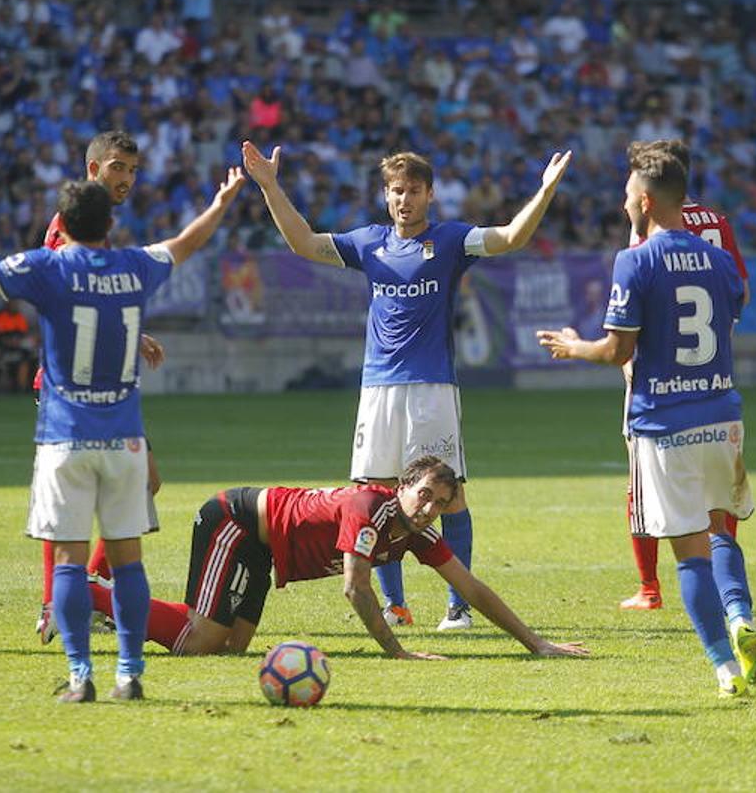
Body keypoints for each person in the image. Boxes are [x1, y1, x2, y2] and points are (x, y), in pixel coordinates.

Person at [0, 169, 246, 702]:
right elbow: (187, 242)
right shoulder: (136, 265)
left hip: (66, 438)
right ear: (110, 224)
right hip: (125, 439)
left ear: (64, 226)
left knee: (71, 562)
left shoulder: (47, 267)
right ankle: (129, 674)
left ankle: (80, 676)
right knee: (128, 562)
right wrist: (221, 202)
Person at [242, 141, 572, 631]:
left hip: (432, 388)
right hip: (378, 388)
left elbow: (509, 238)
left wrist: (544, 191)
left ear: (430, 195)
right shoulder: (368, 243)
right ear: (386, 195)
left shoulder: (452, 240)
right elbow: (304, 243)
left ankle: (458, 608)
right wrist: (270, 185)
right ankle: (395, 606)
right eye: (397, 191)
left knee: (449, 495)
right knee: (377, 497)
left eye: (414, 191)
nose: (405, 199)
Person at [536, 148, 756, 698]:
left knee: (689, 554)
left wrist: (574, 346)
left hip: (665, 422)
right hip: (722, 415)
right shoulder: (720, 259)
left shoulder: (634, 260)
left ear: (646, 200)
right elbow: (732, 311)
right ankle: (740, 616)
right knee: (721, 527)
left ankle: (725, 670)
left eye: (628, 195)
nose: (624, 204)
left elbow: (618, 351)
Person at [83, 456, 587, 660]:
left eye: (439, 503)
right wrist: (397, 652)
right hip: (233, 521)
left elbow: (470, 587)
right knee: (200, 644)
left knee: (230, 649)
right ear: (402, 487)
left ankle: (103, 598)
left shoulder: (415, 532)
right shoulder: (370, 508)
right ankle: (89, 594)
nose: (429, 509)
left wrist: (536, 643)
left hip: (262, 549)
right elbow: (355, 587)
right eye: (423, 495)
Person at [34, 130, 167, 647]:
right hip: (71, 390)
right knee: (76, 499)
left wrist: (134, 335)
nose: (126, 179)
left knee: (141, 483)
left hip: (104, 386)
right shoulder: (68, 227)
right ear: (93, 169)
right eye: (117, 168)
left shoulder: (97, 230)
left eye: (132, 170)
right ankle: (58, 601)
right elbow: (65, 294)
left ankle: (86, 590)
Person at [617, 139, 752, 613]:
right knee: (719, 492)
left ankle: (649, 587)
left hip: (657, 375)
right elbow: (741, 291)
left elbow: (635, 299)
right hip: (711, 370)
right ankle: (727, 590)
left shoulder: (650, 228)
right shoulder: (716, 223)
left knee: (642, 481)